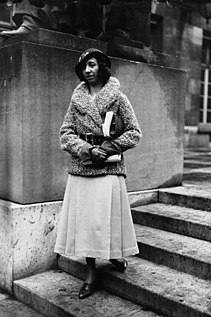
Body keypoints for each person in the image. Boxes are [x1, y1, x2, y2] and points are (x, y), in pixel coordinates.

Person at [54, 48, 142, 299]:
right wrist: (86, 148)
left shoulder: (119, 98)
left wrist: (109, 147)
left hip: (110, 166)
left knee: (107, 219)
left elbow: (134, 132)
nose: (87, 71)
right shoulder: (76, 100)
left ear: (102, 67)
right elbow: (65, 133)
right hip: (83, 167)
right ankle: (91, 271)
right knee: (86, 222)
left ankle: (114, 255)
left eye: (92, 65)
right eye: (83, 67)